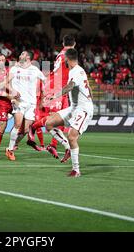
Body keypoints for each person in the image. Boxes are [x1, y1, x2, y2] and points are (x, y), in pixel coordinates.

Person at [45, 48, 94, 177]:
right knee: (49, 123)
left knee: (72, 136)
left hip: (83, 109)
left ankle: (76, 170)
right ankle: (67, 147)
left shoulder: (76, 71)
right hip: (74, 107)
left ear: (67, 59)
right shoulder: (79, 71)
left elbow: (70, 86)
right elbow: (88, 87)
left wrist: (54, 96)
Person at [28, 34, 76, 158]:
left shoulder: (60, 53)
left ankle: (53, 145)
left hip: (60, 88)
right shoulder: (69, 53)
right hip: (57, 87)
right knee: (55, 118)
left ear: (63, 43)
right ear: (74, 44)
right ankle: (33, 127)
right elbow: (72, 69)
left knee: (61, 118)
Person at [5, 51, 46, 161]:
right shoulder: (14, 69)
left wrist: (45, 93)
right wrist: (13, 90)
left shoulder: (35, 70)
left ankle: (13, 144)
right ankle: (10, 150)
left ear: (28, 57)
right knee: (17, 125)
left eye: (22, 54)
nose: (20, 55)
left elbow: (46, 80)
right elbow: (6, 83)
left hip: (31, 103)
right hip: (19, 102)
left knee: (26, 130)